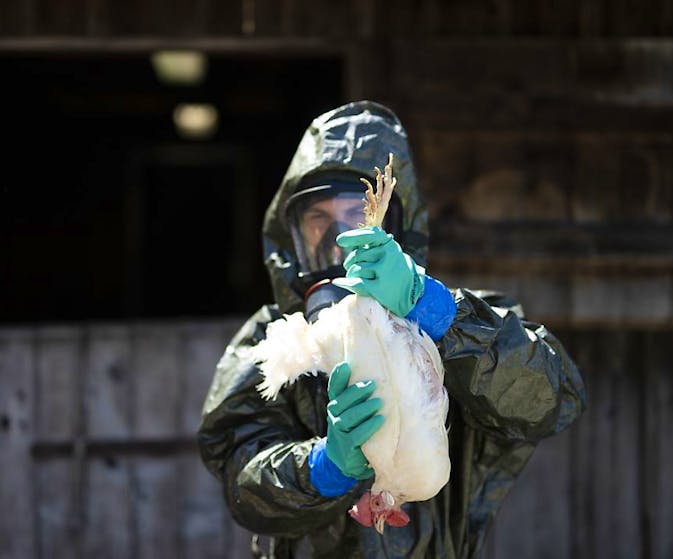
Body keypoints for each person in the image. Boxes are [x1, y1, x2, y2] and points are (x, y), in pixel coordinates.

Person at [197, 101, 586, 558]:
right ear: (293, 237)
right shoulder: (272, 339)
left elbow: (549, 398)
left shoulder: (460, 319)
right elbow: (244, 480)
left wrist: (441, 315)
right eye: (318, 220)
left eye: (353, 215)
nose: (337, 239)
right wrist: (324, 468)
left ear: (394, 225)